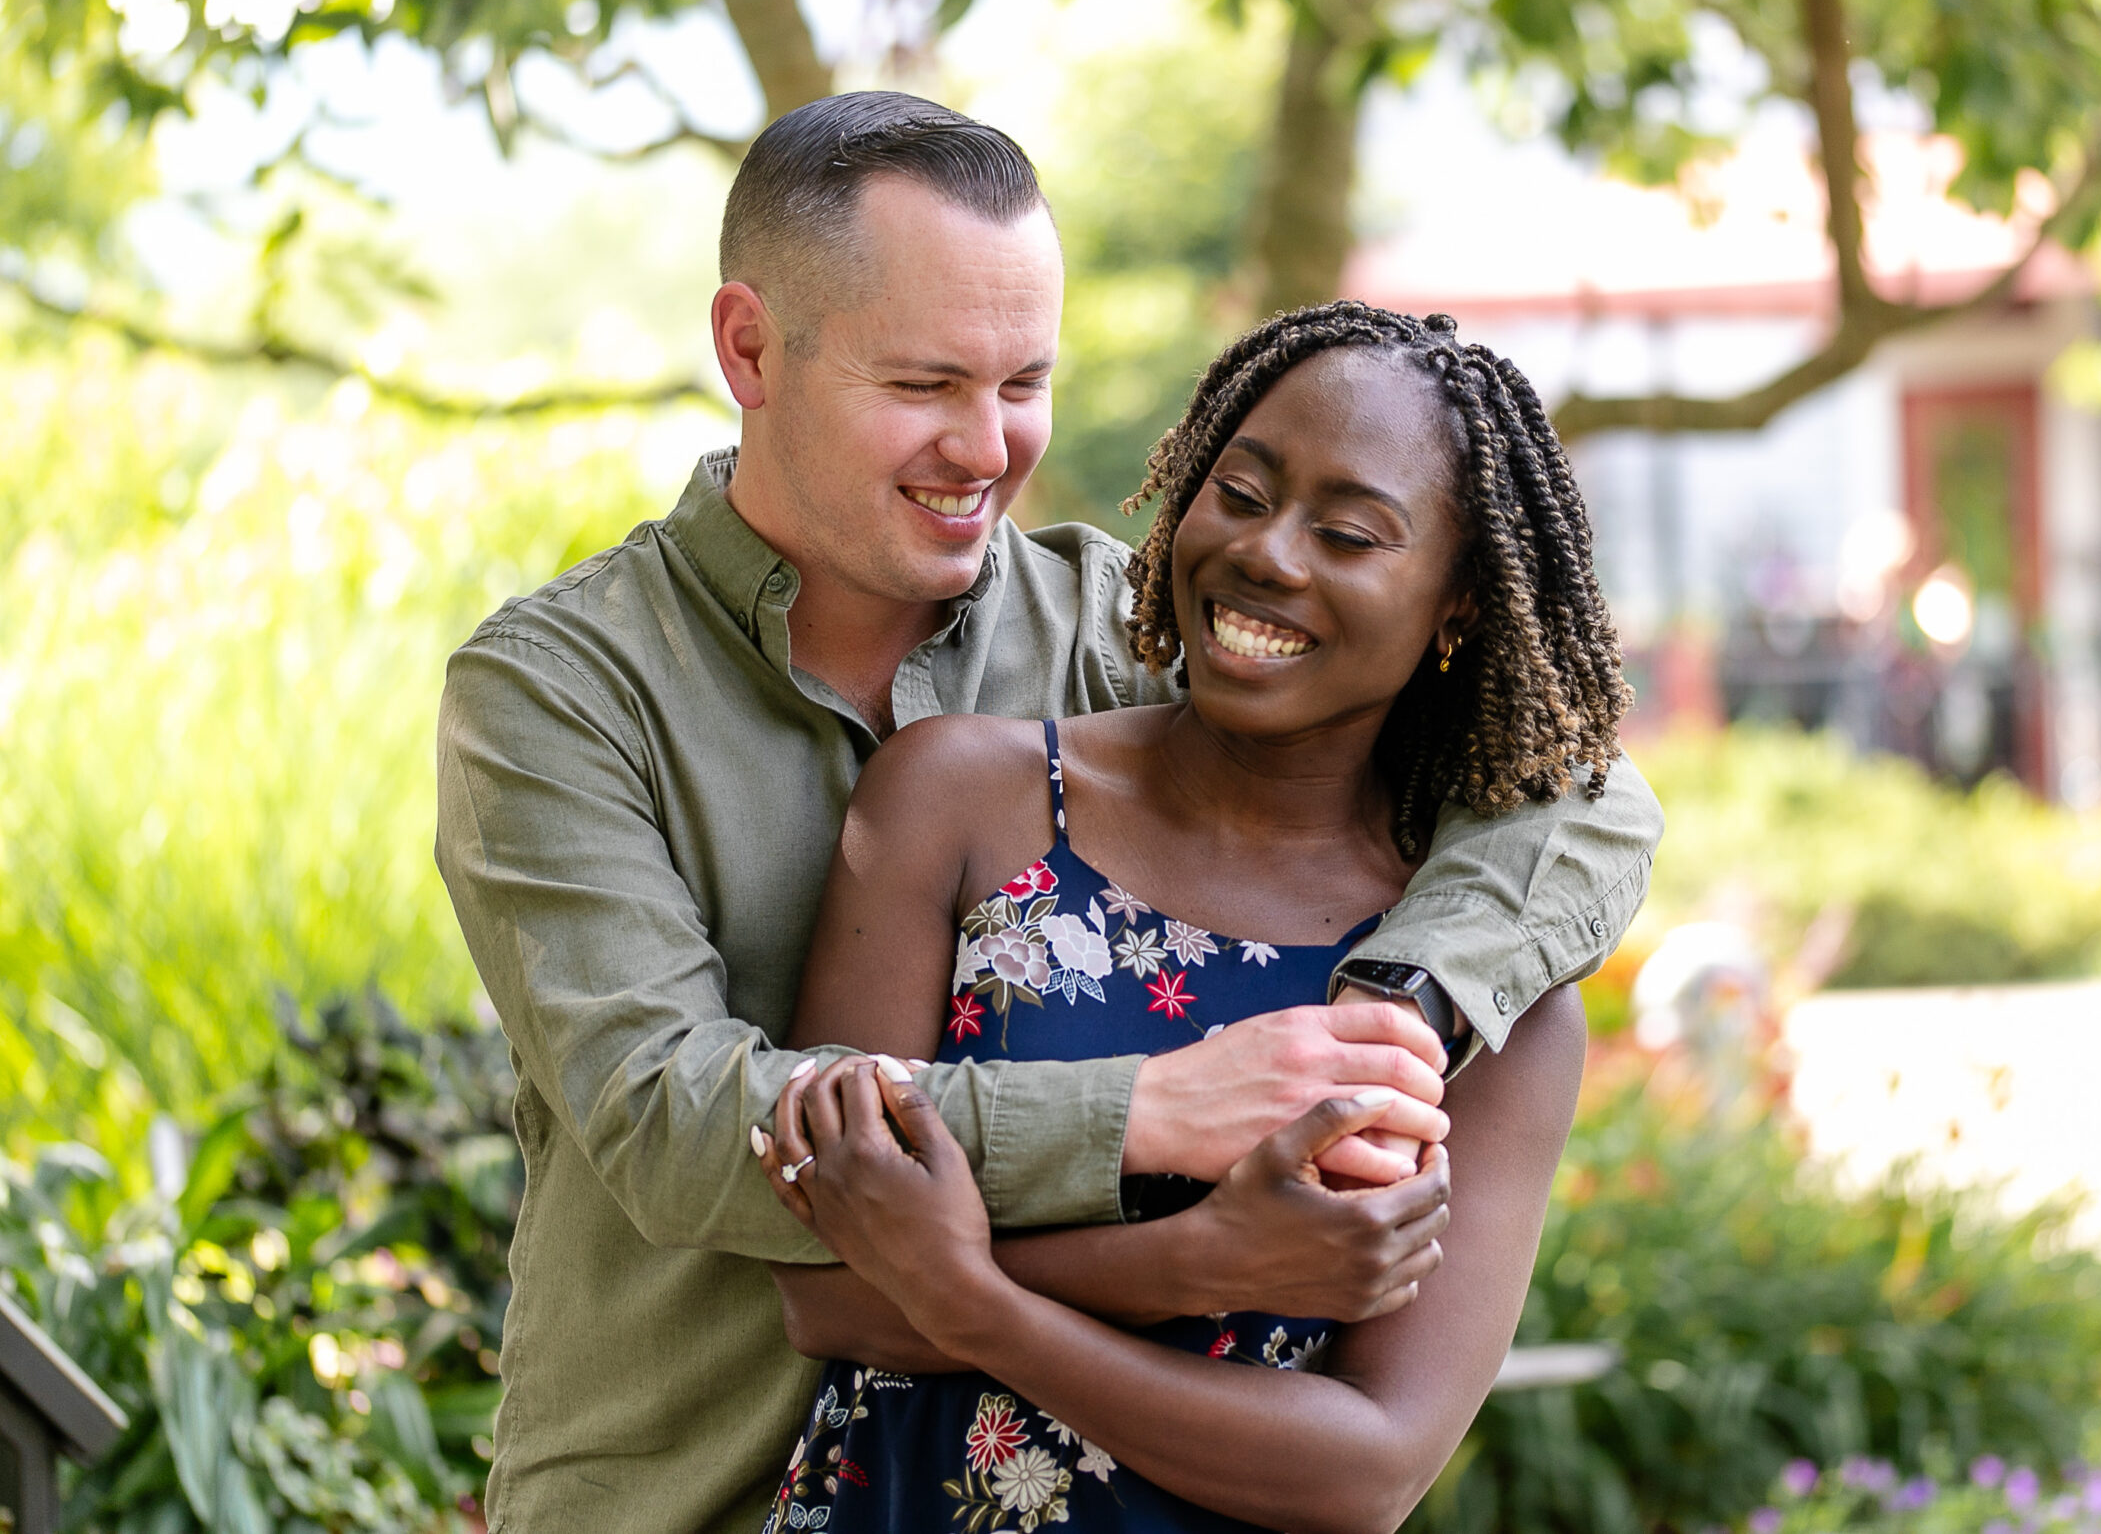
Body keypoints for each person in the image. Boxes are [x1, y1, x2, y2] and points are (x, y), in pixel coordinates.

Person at [434, 92, 1660, 1534]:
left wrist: (1398, 1009)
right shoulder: (559, 691)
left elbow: (1580, 788)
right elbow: (669, 1118)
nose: (985, 444)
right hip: (667, 1499)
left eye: (1024, 381)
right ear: (751, 348)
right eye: (926, 384)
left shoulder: (1131, 629)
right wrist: (1155, 1111)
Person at [753, 301, 1629, 1534]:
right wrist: (1195, 1265)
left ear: (1460, 608)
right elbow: (821, 1289)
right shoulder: (960, 801)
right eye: (1242, 490)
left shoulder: (1473, 1011)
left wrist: (968, 1295)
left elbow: (1365, 1469)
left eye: (1350, 532)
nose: (1269, 554)